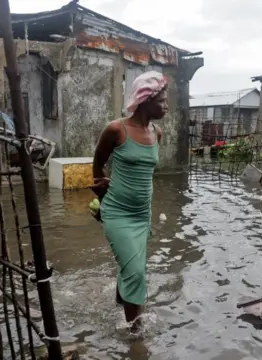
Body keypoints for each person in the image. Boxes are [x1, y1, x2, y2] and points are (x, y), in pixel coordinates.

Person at [90, 71, 168, 333]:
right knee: (135, 271)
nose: (166, 106)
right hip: (117, 212)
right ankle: (136, 336)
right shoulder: (116, 129)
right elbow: (98, 163)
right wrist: (102, 195)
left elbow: (143, 176)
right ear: (147, 99)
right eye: (163, 101)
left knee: (131, 265)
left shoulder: (157, 133)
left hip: (141, 214)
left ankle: (118, 303)